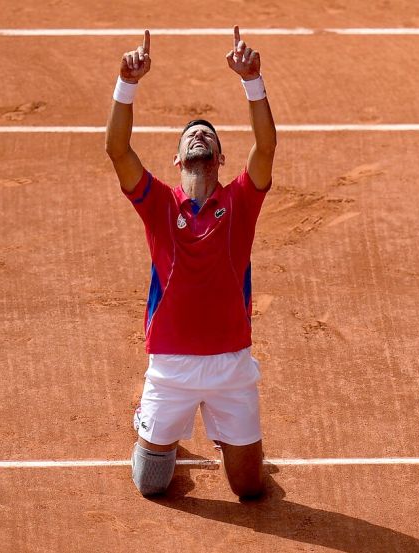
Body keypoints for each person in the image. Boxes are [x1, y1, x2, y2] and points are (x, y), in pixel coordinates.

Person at [104, 26, 276, 500]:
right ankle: (149, 423)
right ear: (177, 160)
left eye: (207, 134)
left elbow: (265, 148)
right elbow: (117, 150)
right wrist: (127, 84)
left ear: (220, 158)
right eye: (190, 134)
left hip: (231, 366)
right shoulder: (158, 203)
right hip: (170, 367)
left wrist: (252, 82)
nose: (198, 133)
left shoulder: (241, 201)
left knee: (249, 489)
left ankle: (228, 442)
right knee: (151, 485)